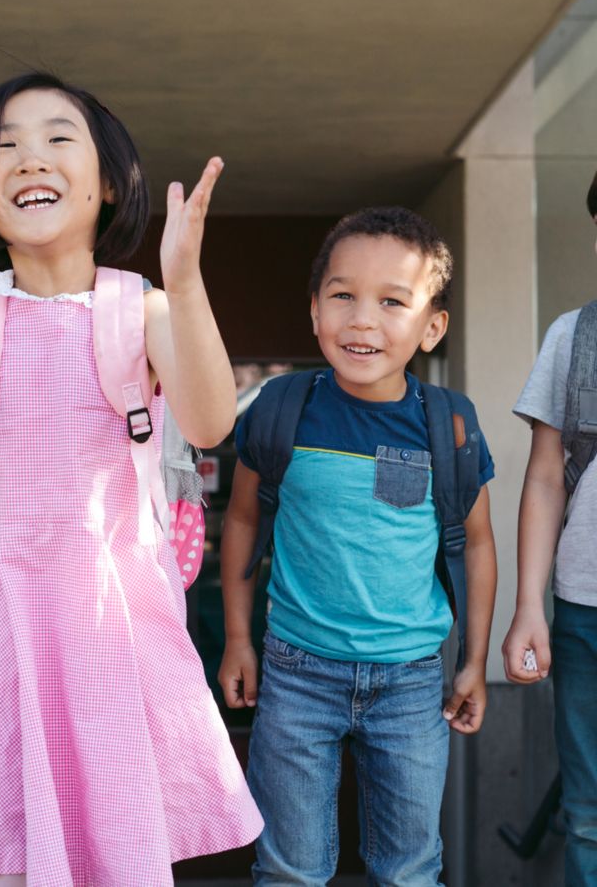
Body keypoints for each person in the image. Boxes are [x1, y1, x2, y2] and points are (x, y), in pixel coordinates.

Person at [0, 73, 263, 887]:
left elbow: (208, 423)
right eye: (4, 145)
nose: (31, 157)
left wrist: (187, 284)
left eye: (59, 138)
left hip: (110, 637)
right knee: (18, 864)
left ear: (108, 183)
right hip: (1, 631)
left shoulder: (145, 310)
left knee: (119, 853)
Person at [218, 207, 497, 886]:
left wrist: (474, 661)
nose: (362, 319)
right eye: (342, 295)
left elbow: (480, 542)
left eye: (392, 301)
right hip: (295, 673)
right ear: (314, 310)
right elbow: (244, 520)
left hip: (409, 681)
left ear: (432, 327)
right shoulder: (281, 408)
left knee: (408, 870)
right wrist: (236, 638)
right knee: (289, 868)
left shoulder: (449, 424)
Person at [502, 172, 597, 886]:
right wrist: (529, 604)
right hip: (585, 607)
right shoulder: (576, 336)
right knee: (590, 816)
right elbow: (545, 474)